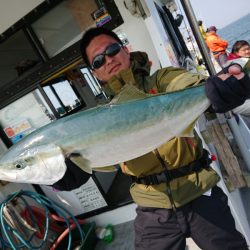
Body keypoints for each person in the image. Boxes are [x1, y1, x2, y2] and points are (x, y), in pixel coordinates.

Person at [55, 27, 250, 250]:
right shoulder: (101, 118)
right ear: (95, 73)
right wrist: (75, 169)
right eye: (98, 61)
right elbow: (101, 158)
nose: (108, 60)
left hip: (199, 191)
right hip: (152, 207)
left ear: (126, 51)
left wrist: (217, 89)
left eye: (111, 50)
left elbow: (190, 85)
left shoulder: (163, 80)